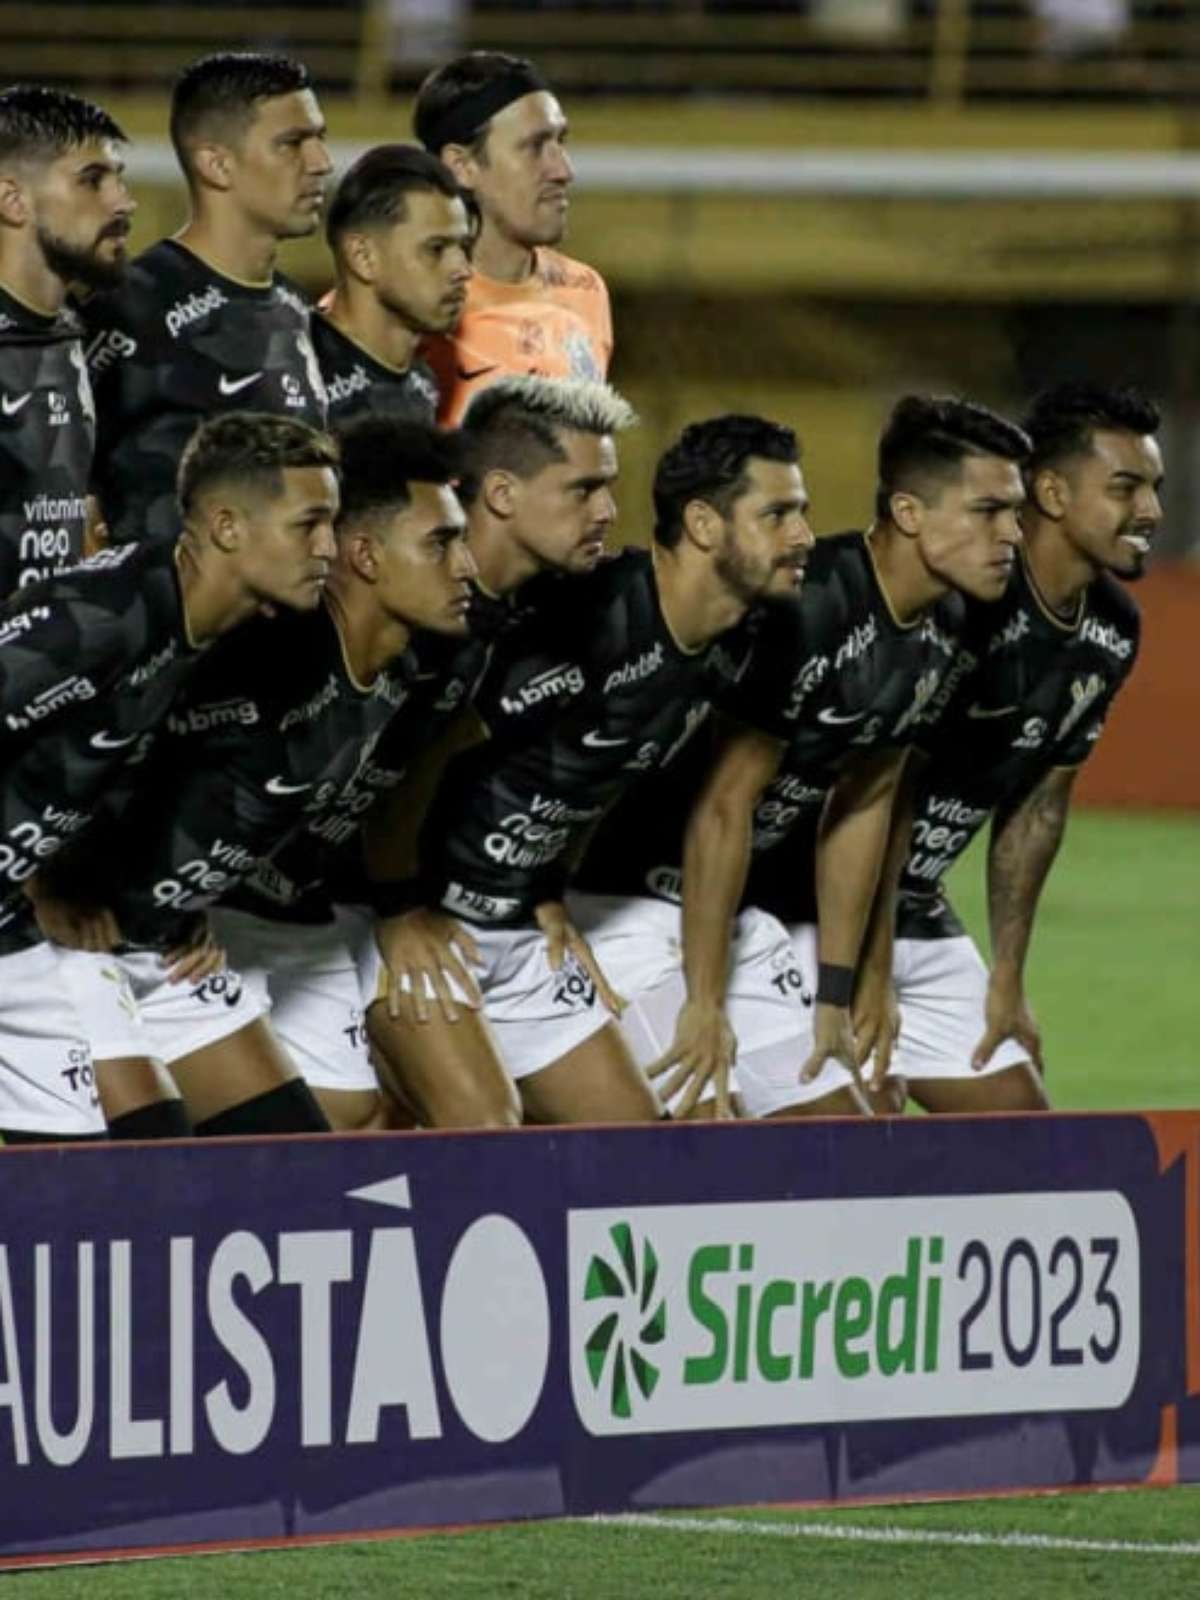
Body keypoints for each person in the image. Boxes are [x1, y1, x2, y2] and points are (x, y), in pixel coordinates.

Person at [581, 396, 1030, 1120]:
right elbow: (723, 808)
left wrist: (839, 990)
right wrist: (703, 1000)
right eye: (989, 510)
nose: (1012, 532)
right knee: (704, 1130)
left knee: (841, 1133)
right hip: (632, 904)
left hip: (737, 916)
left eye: (1015, 511)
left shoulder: (945, 625)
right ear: (911, 513)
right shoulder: (808, 604)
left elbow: (867, 804)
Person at [360, 411, 811, 1130]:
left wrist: (548, 891)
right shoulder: (580, 616)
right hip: (431, 924)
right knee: (477, 1132)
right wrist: (398, 909)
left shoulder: (732, 647)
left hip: (520, 926)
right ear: (702, 525)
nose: (803, 537)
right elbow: (413, 773)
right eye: (780, 513)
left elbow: (589, 780)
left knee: (638, 1150)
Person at [45, 416, 477, 1141]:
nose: (466, 566)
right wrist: (46, 886)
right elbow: (88, 753)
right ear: (367, 555)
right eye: (441, 542)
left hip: (170, 947)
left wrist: (195, 899)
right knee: (143, 1167)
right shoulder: (246, 653)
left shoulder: (393, 684)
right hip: (71, 944)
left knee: (292, 1165)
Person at [0, 411, 340, 1142]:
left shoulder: (212, 638)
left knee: (98, 1184)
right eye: (309, 524)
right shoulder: (103, 615)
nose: (329, 549)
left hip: (15, 930)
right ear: (226, 527)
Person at [865, 382, 1158, 1114]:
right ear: (1052, 493)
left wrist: (1006, 982)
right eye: (1126, 488)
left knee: (1023, 1134)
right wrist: (862, 975)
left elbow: (1038, 807)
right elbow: (877, 789)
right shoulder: (965, 599)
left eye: (1155, 488)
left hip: (914, 908)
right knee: (853, 1132)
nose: (1150, 511)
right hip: (820, 909)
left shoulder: (1113, 628)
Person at [81, 51, 331, 546]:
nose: (321, 163)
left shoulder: (293, 308)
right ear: (216, 164)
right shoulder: (131, 306)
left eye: (319, 139)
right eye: (292, 144)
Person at [413, 51, 612, 424]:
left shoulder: (586, 291)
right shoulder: (398, 305)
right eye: (535, 147)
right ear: (462, 166)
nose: (563, 170)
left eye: (560, 142)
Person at [0, 85, 133, 593]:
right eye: (92, 180)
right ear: (14, 200)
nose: (124, 201)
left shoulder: (71, 333)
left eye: (119, 179)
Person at [314, 143, 473, 427]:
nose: (463, 270)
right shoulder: (295, 370)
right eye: (436, 249)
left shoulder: (423, 385)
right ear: (363, 256)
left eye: (463, 248)